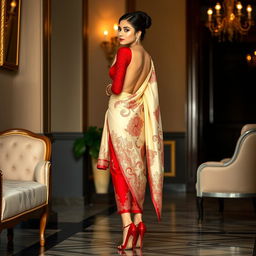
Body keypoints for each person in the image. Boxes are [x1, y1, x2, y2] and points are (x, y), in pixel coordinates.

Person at [97, 11, 164, 251]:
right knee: (136, 169)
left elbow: (118, 88)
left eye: (126, 29)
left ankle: (127, 227)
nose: (119, 33)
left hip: (121, 115)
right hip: (137, 118)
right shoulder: (147, 57)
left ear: (138, 33)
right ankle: (139, 221)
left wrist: (112, 83)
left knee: (119, 169)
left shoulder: (125, 52)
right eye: (119, 28)